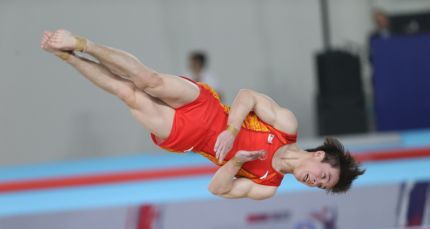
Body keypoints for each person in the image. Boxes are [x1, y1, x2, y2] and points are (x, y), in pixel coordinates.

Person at [40, 29, 365, 200]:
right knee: (147, 80)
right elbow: (247, 96)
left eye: (321, 186)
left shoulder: (267, 185)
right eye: (323, 177)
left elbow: (217, 189)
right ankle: (82, 43)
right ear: (320, 156)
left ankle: (67, 57)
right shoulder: (287, 125)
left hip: (188, 138)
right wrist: (232, 130)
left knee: (128, 93)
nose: (314, 182)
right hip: (206, 107)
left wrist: (237, 161)